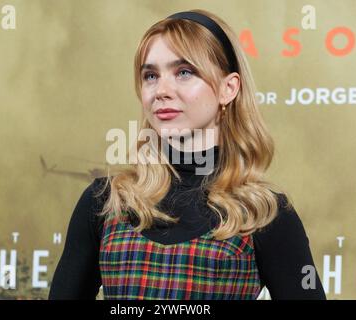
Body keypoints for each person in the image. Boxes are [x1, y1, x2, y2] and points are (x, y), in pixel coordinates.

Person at [49, 9, 326, 300]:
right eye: (150, 75)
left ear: (228, 88)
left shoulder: (264, 212)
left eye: (184, 72)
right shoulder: (105, 202)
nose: (161, 91)